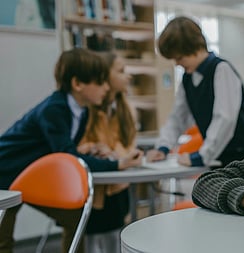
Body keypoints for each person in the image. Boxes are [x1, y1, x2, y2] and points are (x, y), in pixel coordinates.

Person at [0, 48, 143, 253]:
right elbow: (69, 156)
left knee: (75, 217)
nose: (105, 88)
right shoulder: (54, 109)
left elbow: (65, 152)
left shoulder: (81, 111)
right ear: (77, 84)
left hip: (27, 178)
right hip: (5, 175)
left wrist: (90, 149)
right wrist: (117, 164)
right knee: (3, 240)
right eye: (100, 82)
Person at [146, 16, 244, 167]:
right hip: (216, 157)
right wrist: (163, 146)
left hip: (241, 157)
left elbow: (224, 119)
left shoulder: (221, 69)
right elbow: (177, 118)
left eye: (179, 58)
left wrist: (202, 156)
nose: (177, 63)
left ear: (194, 48)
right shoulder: (188, 78)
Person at [76, 52, 135, 253]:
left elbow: (128, 145)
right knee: (91, 242)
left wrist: (115, 152)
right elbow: (78, 144)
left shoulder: (123, 109)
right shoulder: (88, 110)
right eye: (120, 71)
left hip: (117, 188)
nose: (127, 76)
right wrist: (95, 148)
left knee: (116, 240)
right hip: (94, 188)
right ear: (105, 76)